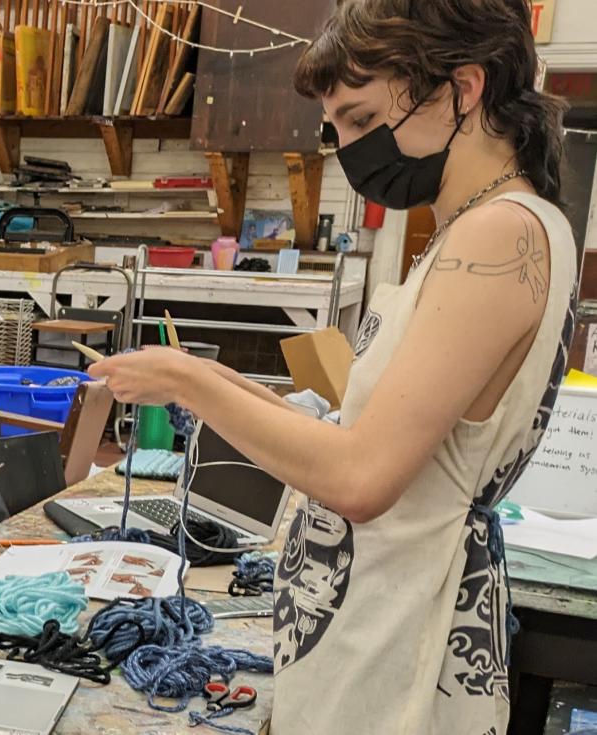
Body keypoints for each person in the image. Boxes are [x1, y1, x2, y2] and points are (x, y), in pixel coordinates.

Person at [88, 1, 579, 731]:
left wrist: (187, 383)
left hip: (394, 653)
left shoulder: (500, 236)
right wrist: (199, 374)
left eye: (360, 116)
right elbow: (365, 434)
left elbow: (359, 477)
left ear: (464, 89)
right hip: (373, 628)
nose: (348, 146)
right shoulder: (481, 227)